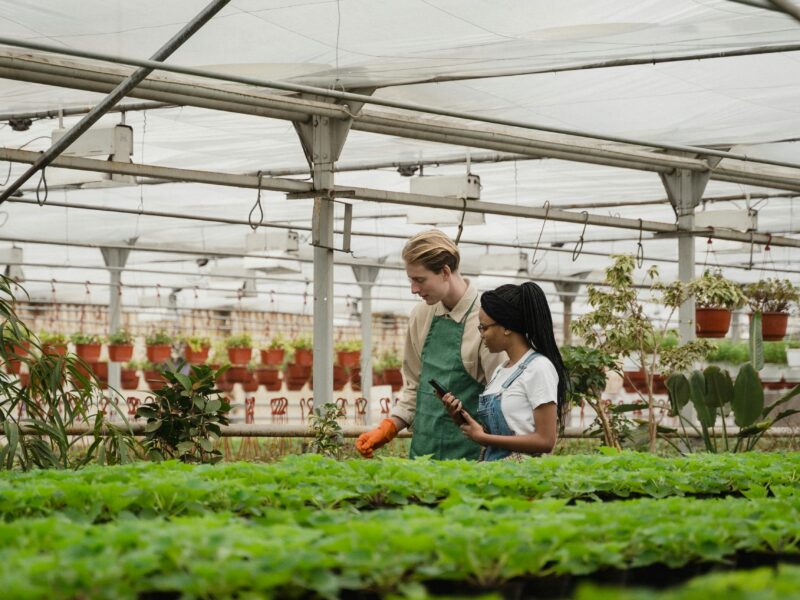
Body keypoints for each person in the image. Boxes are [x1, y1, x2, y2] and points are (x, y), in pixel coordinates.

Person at [355, 229, 506, 460]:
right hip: (423, 455)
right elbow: (415, 387)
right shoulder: (421, 315)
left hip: (470, 460)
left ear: (445, 272)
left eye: (420, 279)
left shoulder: (485, 320)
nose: (413, 289)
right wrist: (389, 427)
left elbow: (501, 400)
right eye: (411, 279)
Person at [441, 282, 567, 461]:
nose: (481, 334)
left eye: (484, 327)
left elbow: (546, 441)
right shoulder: (501, 370)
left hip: (522, 476)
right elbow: (501, 437)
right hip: (496, 469)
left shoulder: (539, 368)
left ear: (507, 327)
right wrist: (464, 421)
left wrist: (483, 437)